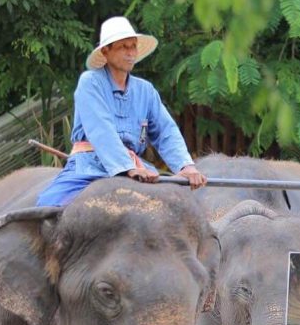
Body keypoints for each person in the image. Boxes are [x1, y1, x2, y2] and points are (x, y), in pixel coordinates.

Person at [36, 16, 206, 207]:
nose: (130, 52)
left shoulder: (146, 91)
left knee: (177, 205)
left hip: (137, 167)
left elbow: (166, 131)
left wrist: (186, 166)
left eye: (133, 46)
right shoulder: (90, 82)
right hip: (90, 166)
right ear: (105, 51)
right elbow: (101, 129)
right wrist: (127, 168)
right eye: (123, 46)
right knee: (48, 205)